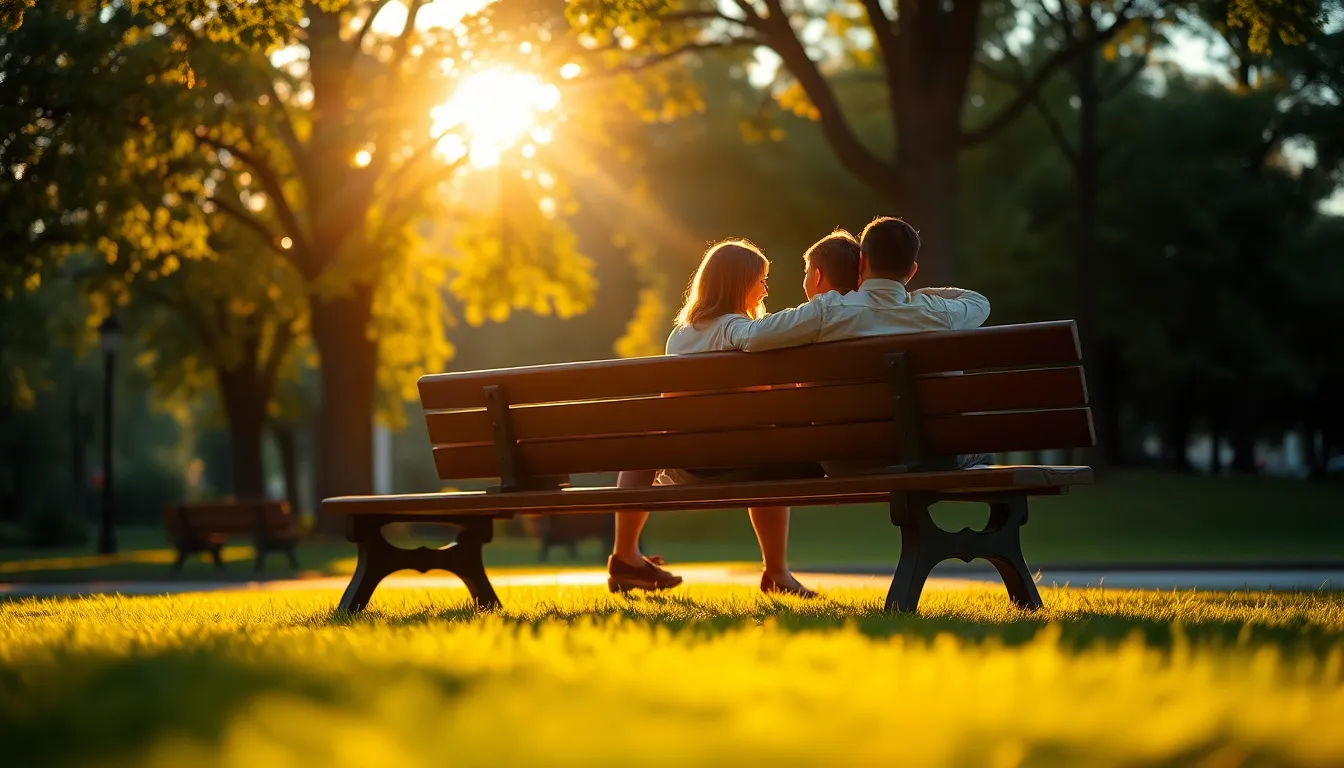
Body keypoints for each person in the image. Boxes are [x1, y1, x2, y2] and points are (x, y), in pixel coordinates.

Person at [605, 234, 860, 597]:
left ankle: (626, 554)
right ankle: (777, 573)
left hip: (688, 467)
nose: (765, 287)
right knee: (773, 452)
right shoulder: (738, 330)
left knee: (644, 447)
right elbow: (755, 341)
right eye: (761, 280)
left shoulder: (679, 337)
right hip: (745, 461)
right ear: (740, 284)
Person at [727, 216, 993, 473]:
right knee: (982, 448)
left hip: (846, 458)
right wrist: (913, 296)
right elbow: (979, 302)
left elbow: (751, 337)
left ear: (862, 260)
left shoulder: (827, 311)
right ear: (912, 271)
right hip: (933, 455)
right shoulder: (939, 312)